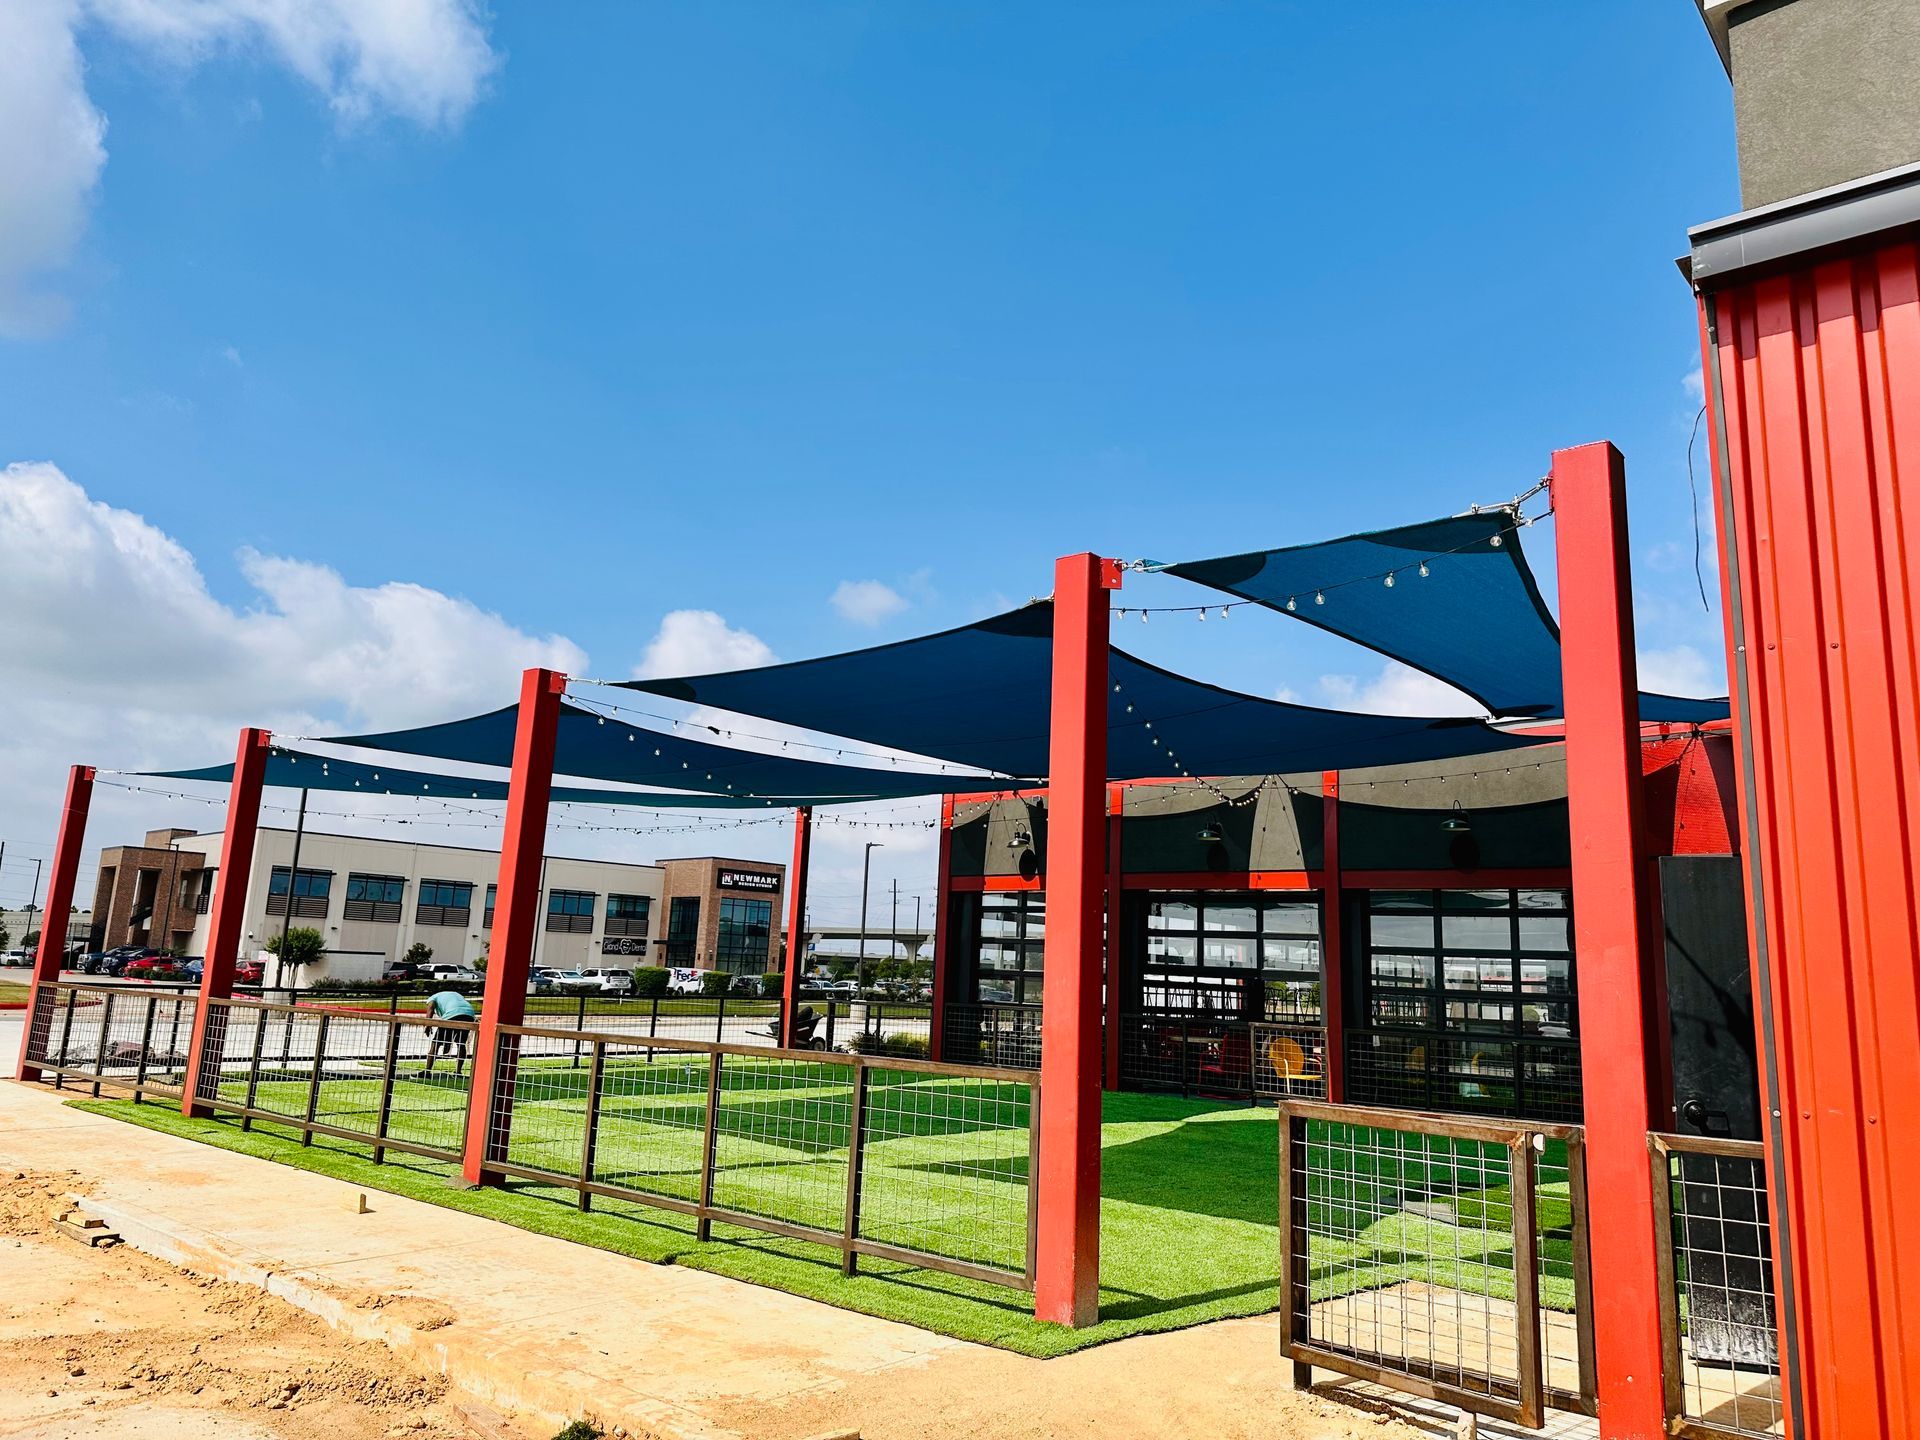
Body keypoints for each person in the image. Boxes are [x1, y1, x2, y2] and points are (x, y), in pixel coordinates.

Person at [424, 989, 476, 1076]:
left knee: (435, 1044)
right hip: (469, 1014)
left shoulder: (432, 998)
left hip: (452, 1014)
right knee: (461, 1043)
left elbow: (431, 1008)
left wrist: (427, 1025)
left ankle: (427, 1071)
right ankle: (458, 1072)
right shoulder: (454, 994)